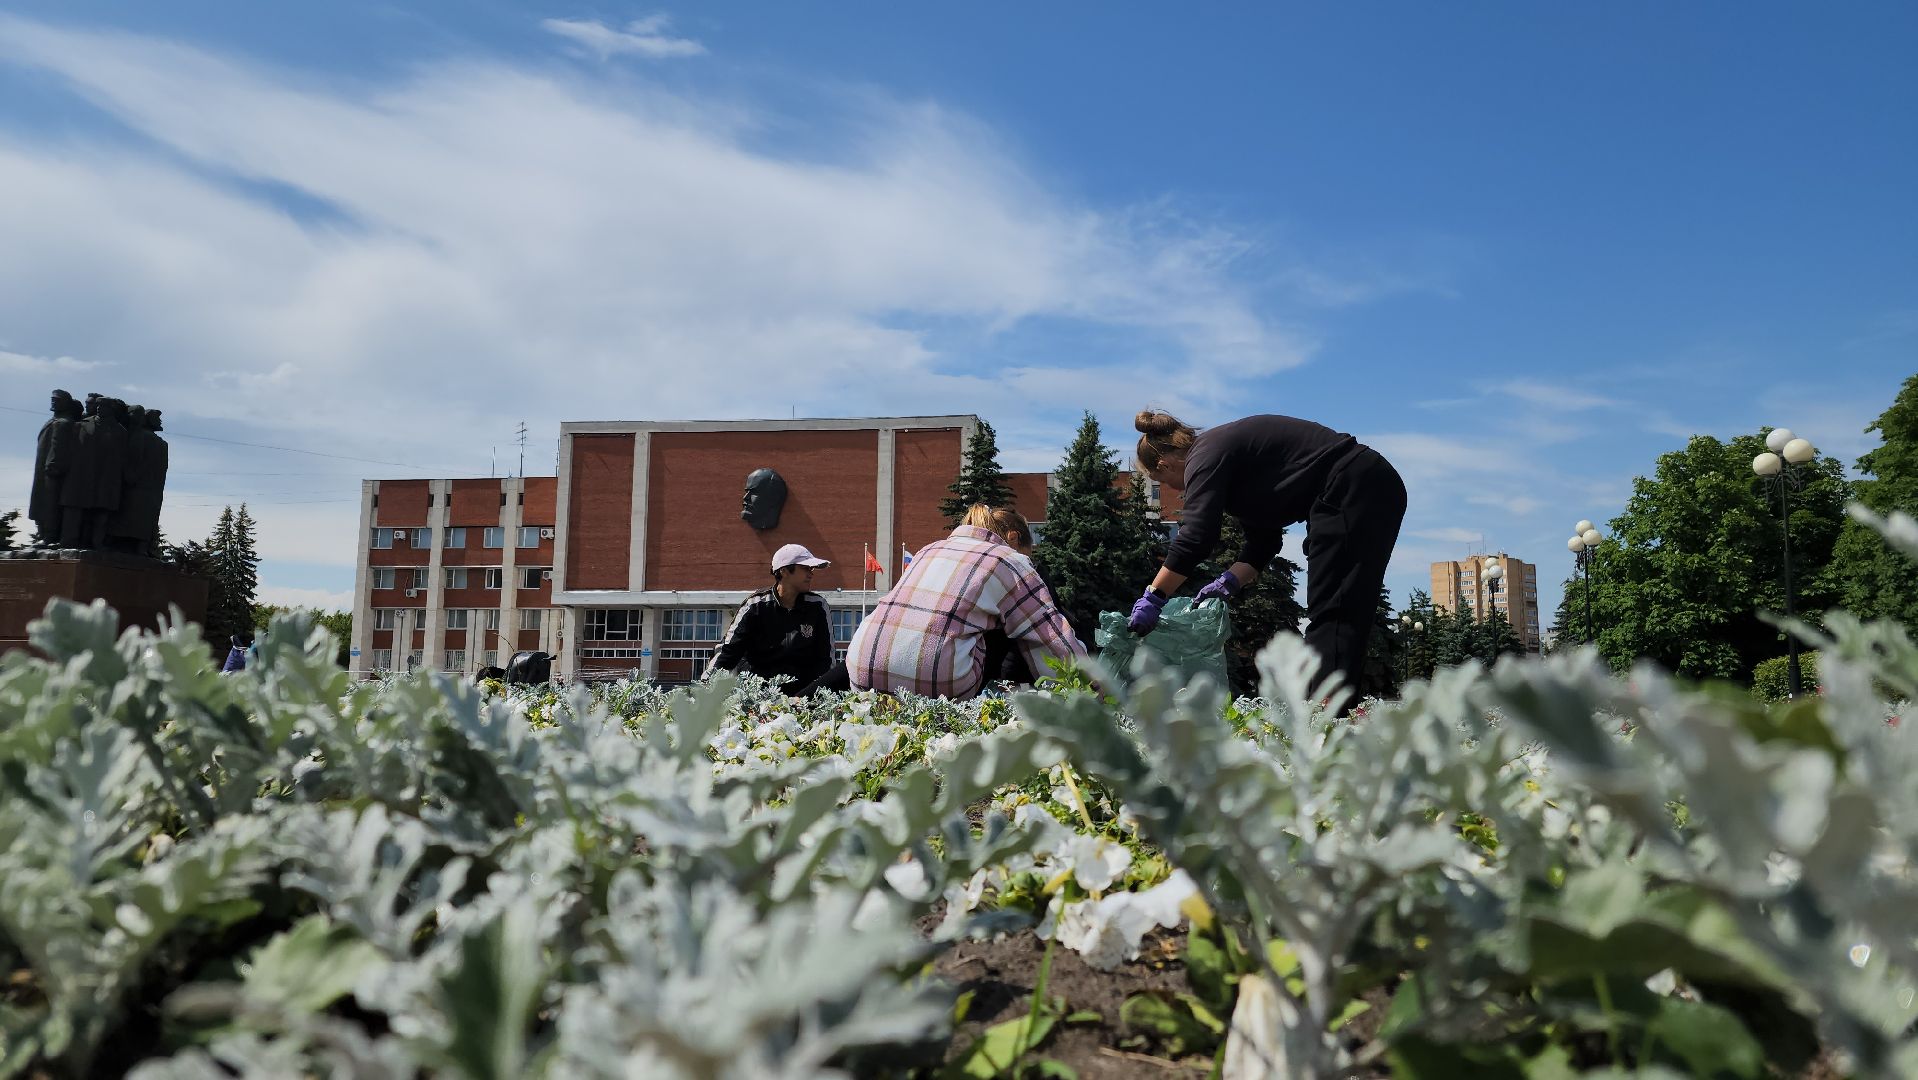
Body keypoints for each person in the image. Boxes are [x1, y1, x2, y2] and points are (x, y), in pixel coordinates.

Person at [1128, 410, 1406, 708]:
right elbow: (1263, 543)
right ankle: (1334, 714)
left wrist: (1155, 595)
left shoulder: (1203, 455)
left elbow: (1196, 536)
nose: (1172, 489)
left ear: (1164, 464)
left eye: (1162, 480)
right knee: (1343, 612)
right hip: (1365, 483)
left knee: (1335, 614)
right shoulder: (1223, 459)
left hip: (1352, 484)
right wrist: (1229, 582)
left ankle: (1327, 719)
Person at [842, 505, 1085, 699]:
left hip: (861, 669)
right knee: (1009, 625)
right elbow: (1050, 638)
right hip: (941, 682)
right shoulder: (1011, 560)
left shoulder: (929, 550)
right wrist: (1088, 689)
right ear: (1013, 538)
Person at [712, 544, 835, 693]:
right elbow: (728, 652)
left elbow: (826, 660)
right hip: (756, 696)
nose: (811, 574)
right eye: (806, 568)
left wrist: (814, 695)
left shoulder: (818, 606)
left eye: (812, 569)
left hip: (802, 697)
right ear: (784, 571)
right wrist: (704, 689)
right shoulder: (755, 605)